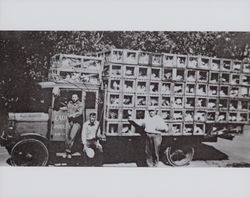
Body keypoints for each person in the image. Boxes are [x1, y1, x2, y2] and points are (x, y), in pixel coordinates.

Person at [64, 94, 83, 159]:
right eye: (73, 97)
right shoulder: (69, 103)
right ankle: (66, 151)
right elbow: (67, 110)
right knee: (67, 136)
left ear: (77, 97)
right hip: (70, 121)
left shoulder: (80, 104)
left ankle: (69, 152)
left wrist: (72, 115)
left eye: (75, 97)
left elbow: (80, 112)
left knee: (72, 137)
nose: (74, 98)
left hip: (76, 122)